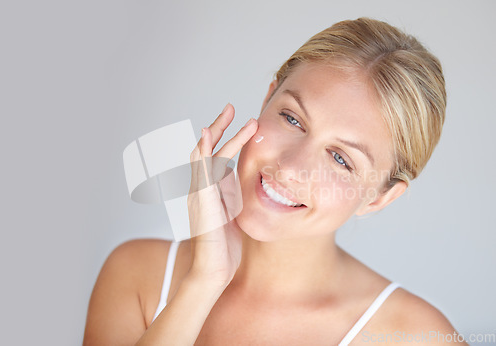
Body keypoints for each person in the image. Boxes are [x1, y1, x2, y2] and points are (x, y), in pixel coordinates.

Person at [83, 18, 466, 345]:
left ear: (380, 198)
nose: (291, 167)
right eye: (292, 119)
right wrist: (203, 283)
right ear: (268, 98)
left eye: (340, 159)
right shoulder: (135, 274)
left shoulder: (416, 336)